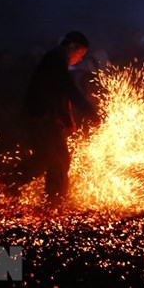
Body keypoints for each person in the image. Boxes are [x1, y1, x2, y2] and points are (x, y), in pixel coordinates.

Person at [21, 31, 98, 202]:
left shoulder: (57, 60)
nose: (80, 59)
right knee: (53, 158)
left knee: (53, 158)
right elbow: (68, 90)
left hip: (45, 117)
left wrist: (68, 121)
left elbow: (62, 95)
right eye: (81, 54)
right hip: (41, 117)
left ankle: (53, 200)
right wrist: (90, 112)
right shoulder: (55, 59)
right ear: (72, 46)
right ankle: (6, 183)